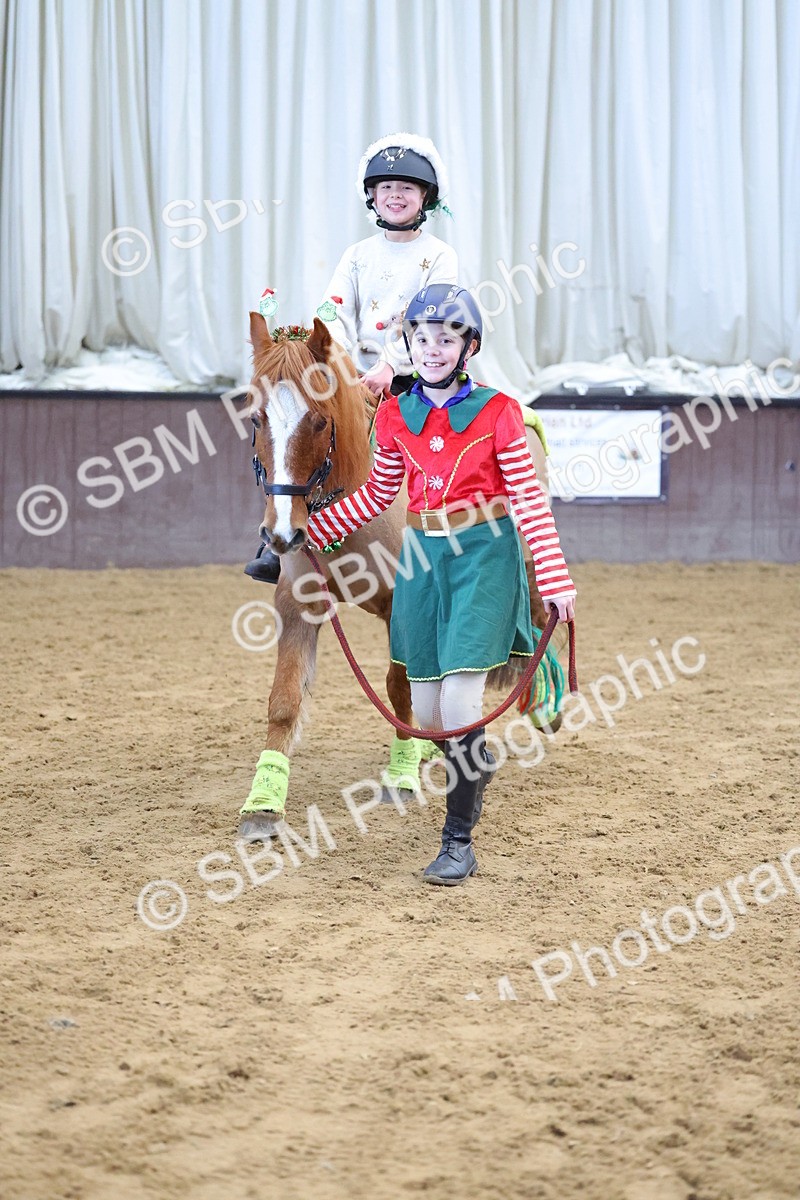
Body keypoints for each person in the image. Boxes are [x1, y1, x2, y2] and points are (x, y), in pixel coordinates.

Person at [304, 284, 577, 886]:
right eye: (422, 338)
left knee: (457, 704)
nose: (432, 349)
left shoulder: (501, 412)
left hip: (484, 553)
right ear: (410, 345)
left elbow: (529, 500)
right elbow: (380, 492)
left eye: (446, 338)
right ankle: (473, 765)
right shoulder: (396, 414)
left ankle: (458, 840)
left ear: (468, 345)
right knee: (426, 713)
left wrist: (554, 578)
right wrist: (316, 532)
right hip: (422, 556)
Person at [245, 132, 458, 584]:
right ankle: (277, 536)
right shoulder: (357, 255)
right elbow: (334, 311)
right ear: (372, 197)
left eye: (406, 189)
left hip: (418, 373)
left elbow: (432, 315)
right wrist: (339, 365)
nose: (394, 196)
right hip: (353, 376)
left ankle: (445, 533)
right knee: (298, 430)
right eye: (385, 188)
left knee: (444, 444)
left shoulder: (440, 256)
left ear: (425, 199)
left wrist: (392, 365)